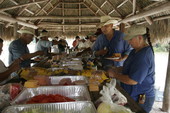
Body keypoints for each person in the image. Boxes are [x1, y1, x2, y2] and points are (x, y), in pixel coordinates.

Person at [108, 25, 155, 113]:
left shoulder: (144, 55)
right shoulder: (135, 51)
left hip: (141, 98)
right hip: (131, 93)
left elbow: (132, 80)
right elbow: (129, 67)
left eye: (131, 39)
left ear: (140, 38)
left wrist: (115, 75)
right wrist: (117, 69)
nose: (129, 42)